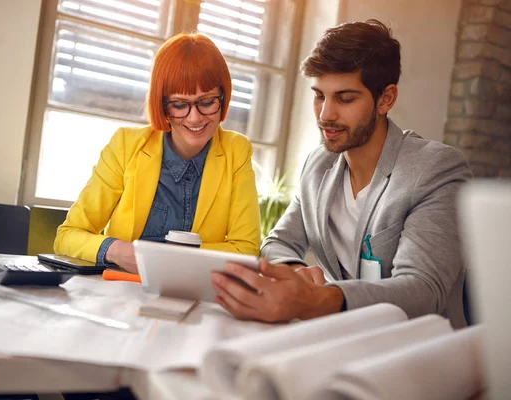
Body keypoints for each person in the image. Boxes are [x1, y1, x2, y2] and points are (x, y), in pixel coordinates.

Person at [210, 19, 472, 329]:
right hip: (339, 336)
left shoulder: (435, 169)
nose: (325, 115)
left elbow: (423, 290)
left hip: (415, 351)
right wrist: (299, 274)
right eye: (320, 95)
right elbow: (278, 243)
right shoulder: (318, 165)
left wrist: (319, 299)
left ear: (386, 99)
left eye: (345, 99)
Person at [54, 33, 261, 274]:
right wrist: (118, 251)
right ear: (163, 105)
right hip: (121, 291)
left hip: (194, 293)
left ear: (223, 97)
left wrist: (167, 258)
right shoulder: (126, 145)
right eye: (180, 104)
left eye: (206, 102)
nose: (195, 118)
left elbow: (246, 249)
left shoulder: (236, 151)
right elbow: (67, 236)